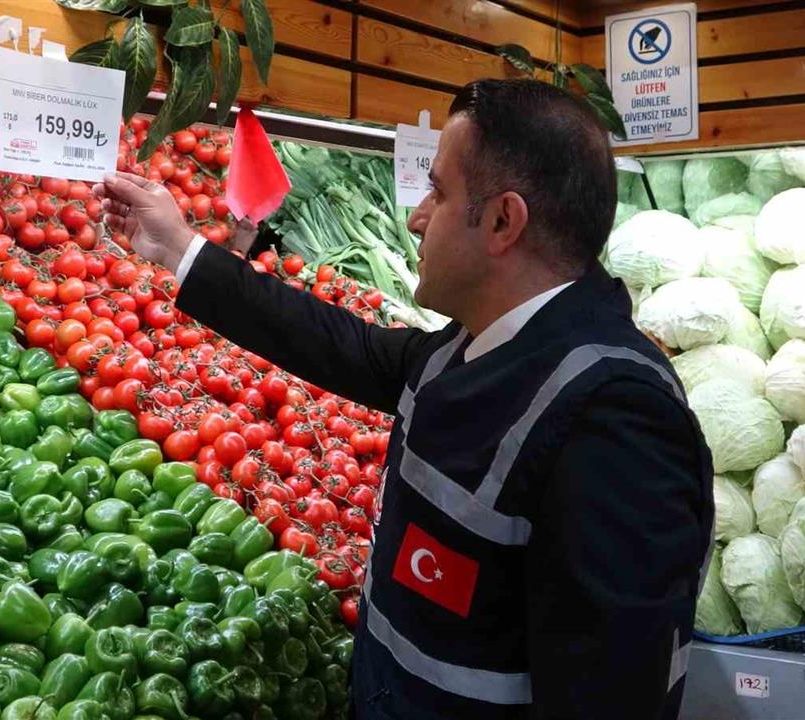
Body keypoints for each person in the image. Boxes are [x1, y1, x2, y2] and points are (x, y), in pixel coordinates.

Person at [94, 78, 714, 719]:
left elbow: (612, 697)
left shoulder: (616, 419)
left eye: (438, 192)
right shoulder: (481, 340)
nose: (417, 217)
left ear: (503, 221)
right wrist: (178, 247)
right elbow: (345, 346)